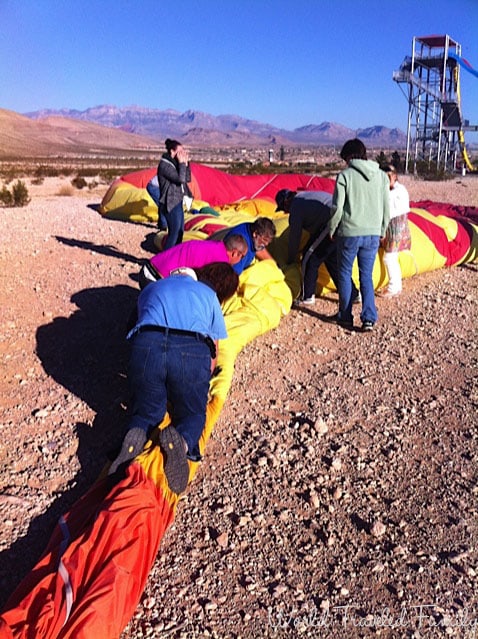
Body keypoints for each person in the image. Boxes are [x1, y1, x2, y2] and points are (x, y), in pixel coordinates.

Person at [109, 262, 239, 494]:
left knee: (147, 411)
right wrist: (198, 385)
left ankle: (137, 432)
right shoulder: (208, 294)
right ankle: (183, 442)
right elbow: (214, 352)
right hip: (192, 348)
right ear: (193, 278)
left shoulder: (151, 289)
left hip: (147, 344)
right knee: (192, 414)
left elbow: (132, 329)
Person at [327, 138, 390, 331]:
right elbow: (386, 208)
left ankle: (345, 316)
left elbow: (337, 208)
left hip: (349, 232)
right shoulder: (381, 176)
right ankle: (369, 318)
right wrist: (382, 230)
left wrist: (332, 228)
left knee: (345, 273)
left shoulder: (345, 176)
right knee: (366, 276)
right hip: (372, 233)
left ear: (348, 157)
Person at [275, 189, 360, 305]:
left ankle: (308, 296)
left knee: (309, 257)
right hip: (346, 220)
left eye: (284, 209)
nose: (286, 212)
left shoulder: (296, 205)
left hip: (333, 222)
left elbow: (295, 237)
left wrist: (291, 259)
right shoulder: (305, 196)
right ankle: (353, 294)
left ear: (286, 202)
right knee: (332, 261)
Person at [138, 234, 248, 289]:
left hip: (148, 268)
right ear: (234, 253)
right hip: (156, 281)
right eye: (241, 257)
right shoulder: (221, 262)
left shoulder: (213, 245)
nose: (240, 261)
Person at [378, 165, 411, 297]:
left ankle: (393, 287)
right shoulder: (397, 190)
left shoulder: (397, 191)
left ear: (394, 176)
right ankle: (396, 285)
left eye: (389, 176)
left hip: (395, 227)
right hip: (395, 226)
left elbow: (388, 211)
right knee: (392, 257)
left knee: (389, 257)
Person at [158, 138, 193, 249]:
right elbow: (180, 179)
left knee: (180, 232)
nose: (182, 155)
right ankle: (165, 260)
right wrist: (182, 164)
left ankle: (174, 257)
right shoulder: (165, 165)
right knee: (174, 234)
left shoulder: (176, 164)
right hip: (170, 203)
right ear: (172, 152)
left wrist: (186, 165)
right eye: (180, 152)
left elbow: (187, 178)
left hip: (177, 201)